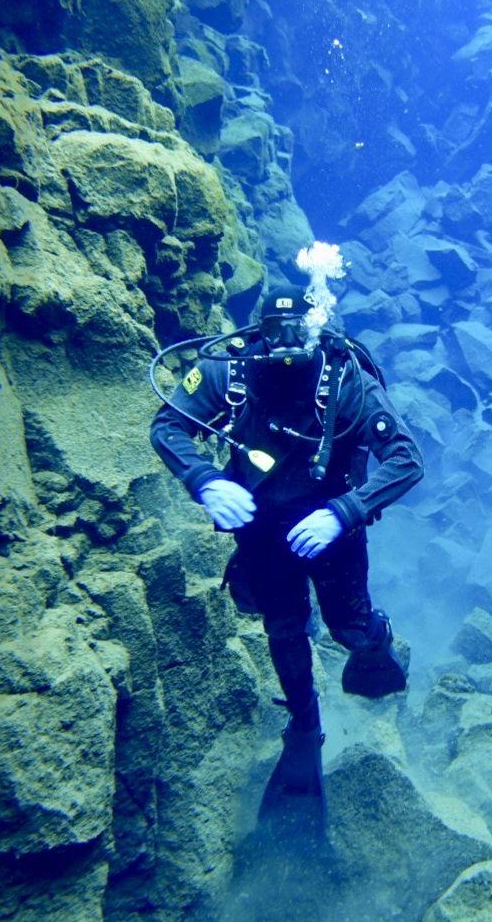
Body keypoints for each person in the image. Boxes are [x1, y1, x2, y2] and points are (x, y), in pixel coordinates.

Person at [149, 282, 423, 838]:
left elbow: (406, 459)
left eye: (296, 335)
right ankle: (304, 724)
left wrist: (344, 512)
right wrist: (202, 480)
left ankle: (377, 640)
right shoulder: (228, 373)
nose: (284, 348)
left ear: (316, 332)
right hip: (262, 527)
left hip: (332, 527)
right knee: (282, 625)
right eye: (271, 336)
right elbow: (167, 424)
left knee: (347, 627)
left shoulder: (347, 380)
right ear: (253, 336)